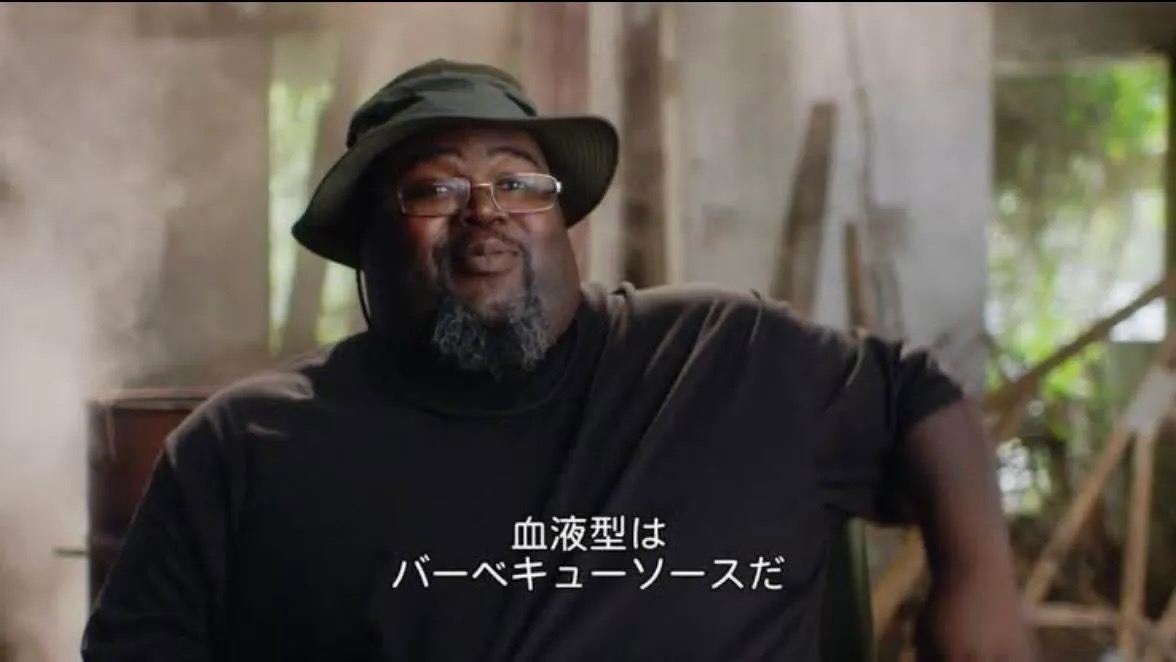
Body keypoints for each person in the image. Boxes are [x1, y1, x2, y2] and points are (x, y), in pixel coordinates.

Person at [82, 59, 1035, 661]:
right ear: (365, 243)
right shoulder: (245, 448)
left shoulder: (724, 354)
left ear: (563, 220)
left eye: (518, 179)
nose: (485, 212)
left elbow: (921, 395)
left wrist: (980, 590)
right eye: (435, 188)